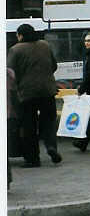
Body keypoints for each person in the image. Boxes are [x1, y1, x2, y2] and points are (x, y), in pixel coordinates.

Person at [7, 23, 62, 167]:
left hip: (26, 94)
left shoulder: (15, 50)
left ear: (20, 35)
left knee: (28, 126)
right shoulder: (45, 45)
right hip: (48, 91)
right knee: (48, 122)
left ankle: (33, 159)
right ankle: (51, 147)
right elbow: (54, 65)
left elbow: (10, 72)